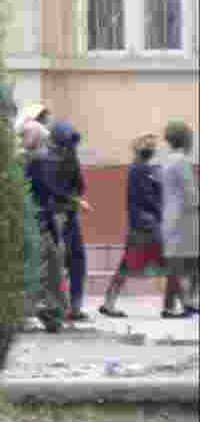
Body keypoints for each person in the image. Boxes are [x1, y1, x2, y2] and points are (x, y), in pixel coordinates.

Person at [98, 134, 165, 318]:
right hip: (146, 225)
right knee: (169, 261)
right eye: (150, 146)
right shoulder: (141, 169)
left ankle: (109, 302)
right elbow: (149, 198)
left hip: (142, 224)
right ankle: (179, 304)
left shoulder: (141, 168)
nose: (153, 149)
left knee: (129, 263)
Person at [21, 120, 69, 333]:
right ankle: (51, 312)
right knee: (49, 270)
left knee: (45, 269)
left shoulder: (38, 161)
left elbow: (44, 193)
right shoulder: (39, 159)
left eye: (26, 135)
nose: (22, 139)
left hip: (39, 222)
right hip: (40, 222)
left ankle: (48, 312)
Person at [51, 121, 92, 322]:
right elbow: (55, 190)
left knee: (76, 261)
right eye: (68, 143)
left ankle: (73, 308)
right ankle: (63, 308)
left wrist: (73, 198)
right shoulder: (51, 160)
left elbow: (81, 186)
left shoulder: (68, 159)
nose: (70, 148)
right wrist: (74, 199)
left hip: (67, 216)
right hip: (56, 218)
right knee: (61, 264)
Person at [160, 121, 199, 318]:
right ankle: (184, 303)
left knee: (177, 264)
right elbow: (190, 193)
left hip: (171, 217)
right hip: (184, 219)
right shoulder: (182, 161)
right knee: (184, 265)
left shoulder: (167, 161)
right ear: (185, 139)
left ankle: (177, 304)